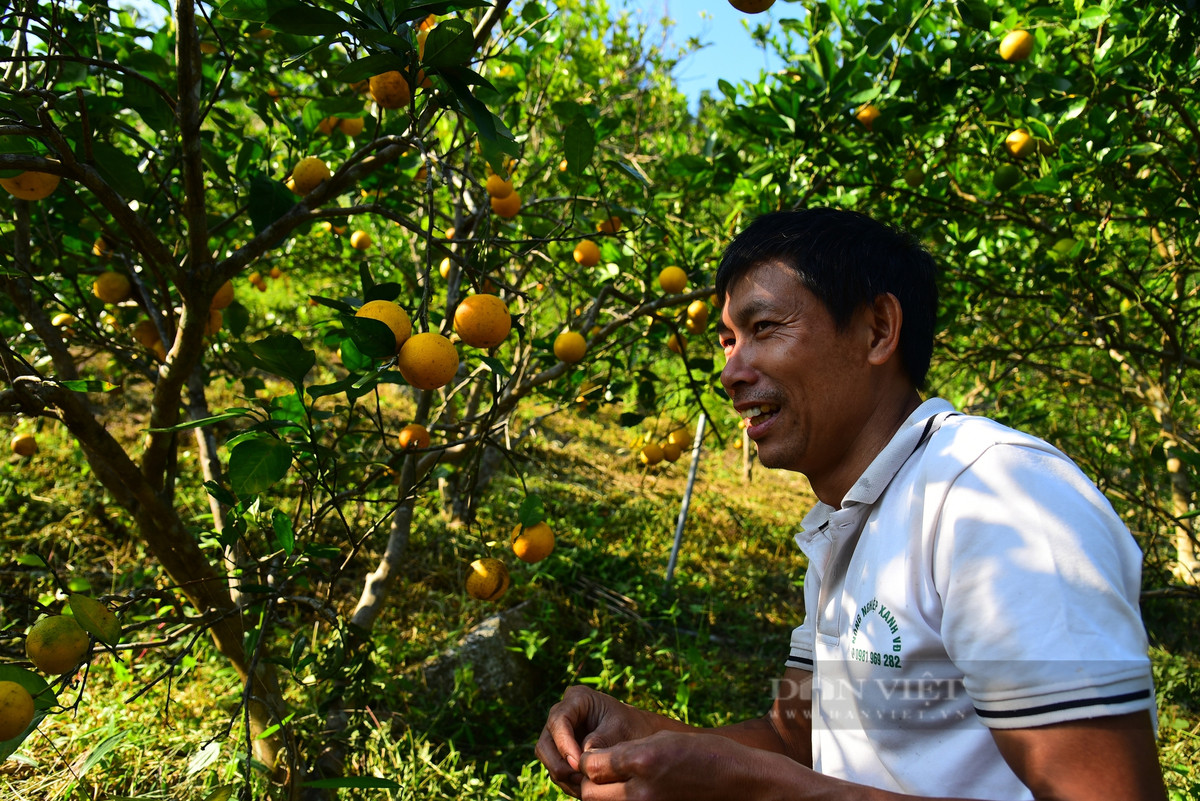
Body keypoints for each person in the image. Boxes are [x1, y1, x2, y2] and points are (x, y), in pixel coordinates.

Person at [536, 208, 1166, 801]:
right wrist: (639, 735)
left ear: (878, 330)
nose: (731, 371)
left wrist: (760, 790)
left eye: (763, 328)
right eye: (727, 341)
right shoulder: (846, 526)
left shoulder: (994, 496)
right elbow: (796, 737)